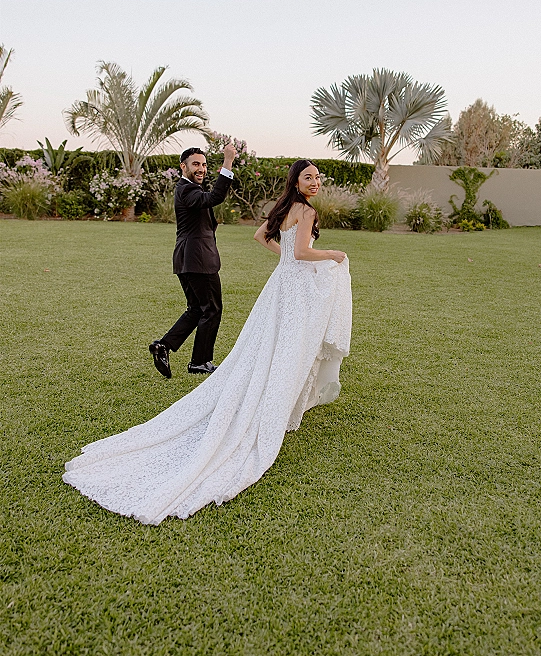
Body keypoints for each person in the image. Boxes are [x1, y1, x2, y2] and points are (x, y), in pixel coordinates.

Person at [63, 160, 352, 525]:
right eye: (309, 176)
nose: (316, 181)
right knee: (286, 346)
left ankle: (269, 391)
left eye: (317, 176)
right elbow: (302, 253)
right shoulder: (305, 210)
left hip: (281, 286)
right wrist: (332, 255)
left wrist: (288, 264)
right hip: (291, 287)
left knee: (267, 344)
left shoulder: (283, 208)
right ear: (296, 182)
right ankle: (273, 400)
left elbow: (262, 237)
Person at [149, 142, 237, 378]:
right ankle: (200, 361)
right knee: (212, 309)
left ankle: (163, 346)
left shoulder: (189, 190)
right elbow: (216, 196)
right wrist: (227, 162)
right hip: (198, 259)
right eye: (196, 164)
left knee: (197, 308)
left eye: (204, 164)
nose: (202, 169)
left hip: (189, 258)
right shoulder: (187, 190)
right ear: (183, 167)